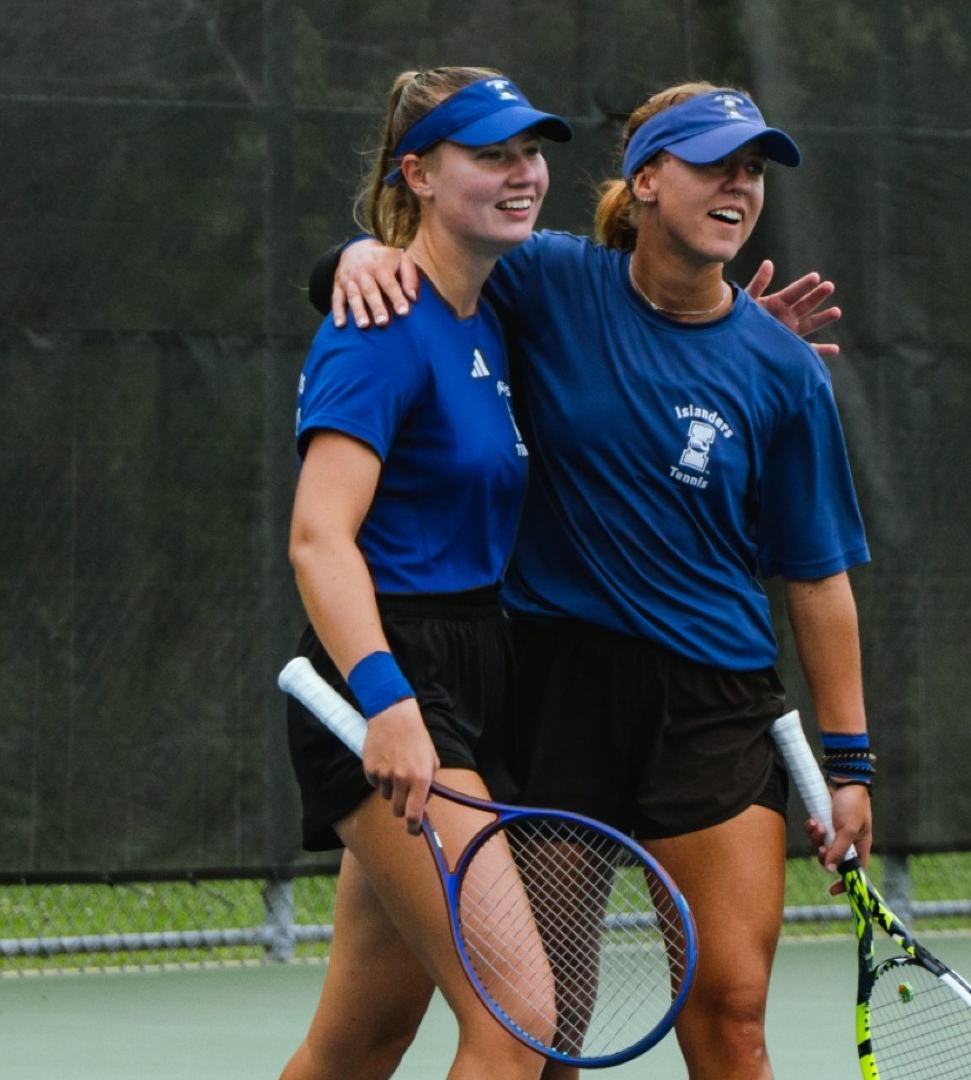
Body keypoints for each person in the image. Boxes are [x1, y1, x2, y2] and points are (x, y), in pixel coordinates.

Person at [320, 84, 876, 1080]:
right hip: (552, 696)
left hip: (712, 710)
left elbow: (817, 578)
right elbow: (435, 267)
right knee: (546, 1026)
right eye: (714, 165)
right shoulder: (549, 282)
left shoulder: (785, 372)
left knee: (732, 1014)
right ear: (647, 181)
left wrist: (852, 765)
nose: (739, 187)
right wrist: (353, 256)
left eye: (753, 171)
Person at [279, 67, 572, 1080]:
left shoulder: (495, 311)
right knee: (517, 1022)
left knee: (360, 1042)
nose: (522, 173)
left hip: (479, 663)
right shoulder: (376, 326)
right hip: (392, 674)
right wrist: (387, 698)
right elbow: (319, 538)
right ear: (420, 174)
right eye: (491, 155)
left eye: (529, 152)